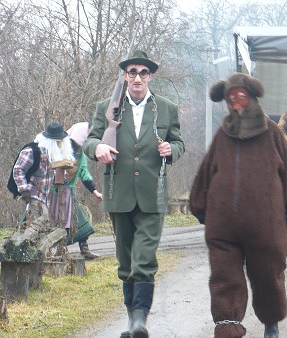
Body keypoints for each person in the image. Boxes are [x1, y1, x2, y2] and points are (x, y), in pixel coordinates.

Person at [189, 73, 287, 338]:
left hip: (265, 225)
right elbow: (207, 171)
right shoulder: (223, 135)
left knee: (268, 275)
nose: (236, 103)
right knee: (224, 277)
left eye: (241, 96)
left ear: (251, 97)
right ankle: (227, 328)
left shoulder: (271, 132)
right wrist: (199, 205)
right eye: (231, 99)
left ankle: (271, 323)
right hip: (223, 227)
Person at [83, 50, 185, 338]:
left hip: (154, 195)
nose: (137, 77)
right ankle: (131, 321)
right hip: (118, 193)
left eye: (143, 72)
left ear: (150, 76)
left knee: (143, 258)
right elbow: (90, 140)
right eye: (132, 72)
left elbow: (179, 143)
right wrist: (98, 148)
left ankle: (141, 321)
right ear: (125, 76)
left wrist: (171, 150)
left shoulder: (167, 108)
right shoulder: (107, 107)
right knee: (125, 261)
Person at [48, 122, 103, 260]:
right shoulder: (57, 148)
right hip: (52, 192)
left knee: (79, 221)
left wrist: (95, 191)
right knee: (51, 222)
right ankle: (50, 251)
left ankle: (84, 250)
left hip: (68, 192)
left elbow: (83, 172)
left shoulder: (82, 153)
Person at [13, 122, 75, 224]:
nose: (60, 145)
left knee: (41, 227)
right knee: (41, 222)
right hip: (33, 194)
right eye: (58, 142)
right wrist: (24, 189)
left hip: (45, 198)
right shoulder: (32, 151)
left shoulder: (53, 156)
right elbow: (18, 169)